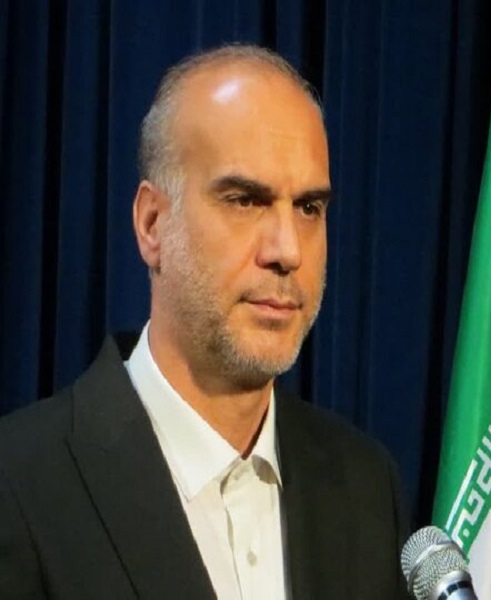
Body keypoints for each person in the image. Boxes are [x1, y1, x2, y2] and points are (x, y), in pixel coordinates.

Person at [0, 45, 410, 599]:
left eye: (309, 208)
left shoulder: (367, 486)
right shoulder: (18, 485)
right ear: (152, 224)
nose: (287, 250)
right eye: (245, 201)